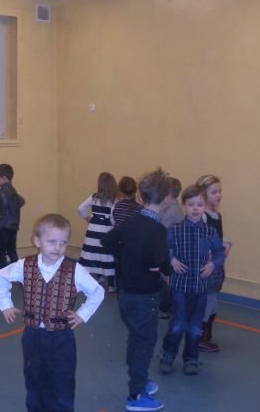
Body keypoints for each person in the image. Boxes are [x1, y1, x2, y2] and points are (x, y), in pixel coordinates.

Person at [0, 214, 104, 412]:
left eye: (63, 242)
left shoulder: (75, 270)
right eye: (52, 241)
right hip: (33, 335)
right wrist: (5, 304)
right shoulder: (24, 266)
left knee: (62, 381)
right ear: (37, 241)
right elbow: (0, 277)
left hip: (62, 338)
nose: (57, 247)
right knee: (34, 378)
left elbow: (97, 291)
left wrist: (82, 314)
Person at [101, 168, 172, 412]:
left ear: (140, 197)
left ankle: (140, 381)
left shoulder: (130, 222)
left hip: (126, 295)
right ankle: (136, 395)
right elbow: (162, 262)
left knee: (136, 339)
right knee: (144, 343)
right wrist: (161, 267)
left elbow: (107, 241)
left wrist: (125, 260)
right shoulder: (158, 230)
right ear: (166, 199)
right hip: (145, 298)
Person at [158, 185, 225, 376]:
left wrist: (213, 264)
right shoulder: (175, 230)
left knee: (195, 327)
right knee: (178, 324)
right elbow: (163, 249)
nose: (195, 208)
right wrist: (171, 259)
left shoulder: (209, 232)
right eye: (191, 204)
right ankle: (167, 356)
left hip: (201, 288)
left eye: (199, 205)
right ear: (184, 206)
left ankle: (191, 358)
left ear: (204, 206)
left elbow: (219, 252)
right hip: (180, 286)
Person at [195, 174, 232, 353]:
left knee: (212, 302)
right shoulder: (201, 217)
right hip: (205, 266)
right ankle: (198, 337)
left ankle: (205, 334)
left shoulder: (216, 215)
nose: (219, 195)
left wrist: (223, 245)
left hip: (216, 265)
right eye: (214, 192)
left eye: (219, 191)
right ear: (203, 194)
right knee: (206, 301)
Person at [78, 172, 119, 292]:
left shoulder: (94, 197)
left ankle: (98, 278)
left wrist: (87, 218)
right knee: (107, 256)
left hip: (93, 230)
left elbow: (80, 208)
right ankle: (111, 285)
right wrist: (113, 224)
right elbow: (113, 216)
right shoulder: (114, 199)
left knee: (93, 254)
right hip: (106, 231)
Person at [158, 176, 183, 319]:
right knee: (165, 278)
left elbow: (160, 228)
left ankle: (166, 308)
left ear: (167, 194)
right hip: (167, 248)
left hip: (171, 250)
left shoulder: (173, 210)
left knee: (167, 279)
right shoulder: (168, 207)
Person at [0, 163, 25, 269]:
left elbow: (4, 203)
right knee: (12, 250)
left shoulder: (2, 191)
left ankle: (2, 272)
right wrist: (13, 211)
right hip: (13, 225)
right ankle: (18, 272)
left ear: (4, 178)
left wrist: (0, 213)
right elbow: (22, 201)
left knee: (1, 251)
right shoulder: (13, 190)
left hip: (4, 226)